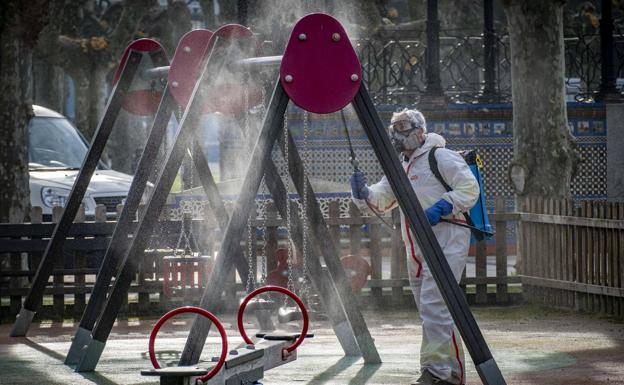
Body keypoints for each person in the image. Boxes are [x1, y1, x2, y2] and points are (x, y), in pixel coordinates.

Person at [350, 108, 479, 385]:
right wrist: (362, 193)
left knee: (435, 308)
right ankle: (451, 373)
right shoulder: (401, 166)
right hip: (417, 247)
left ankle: (436, 373)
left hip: (446, 241)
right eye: (395, 128)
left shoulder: (440, 157)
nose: (399, 134)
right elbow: (381, 200)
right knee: (435, 311)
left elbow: (469, 188)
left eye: (405, 127)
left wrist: (442, 207)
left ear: (421, 131)